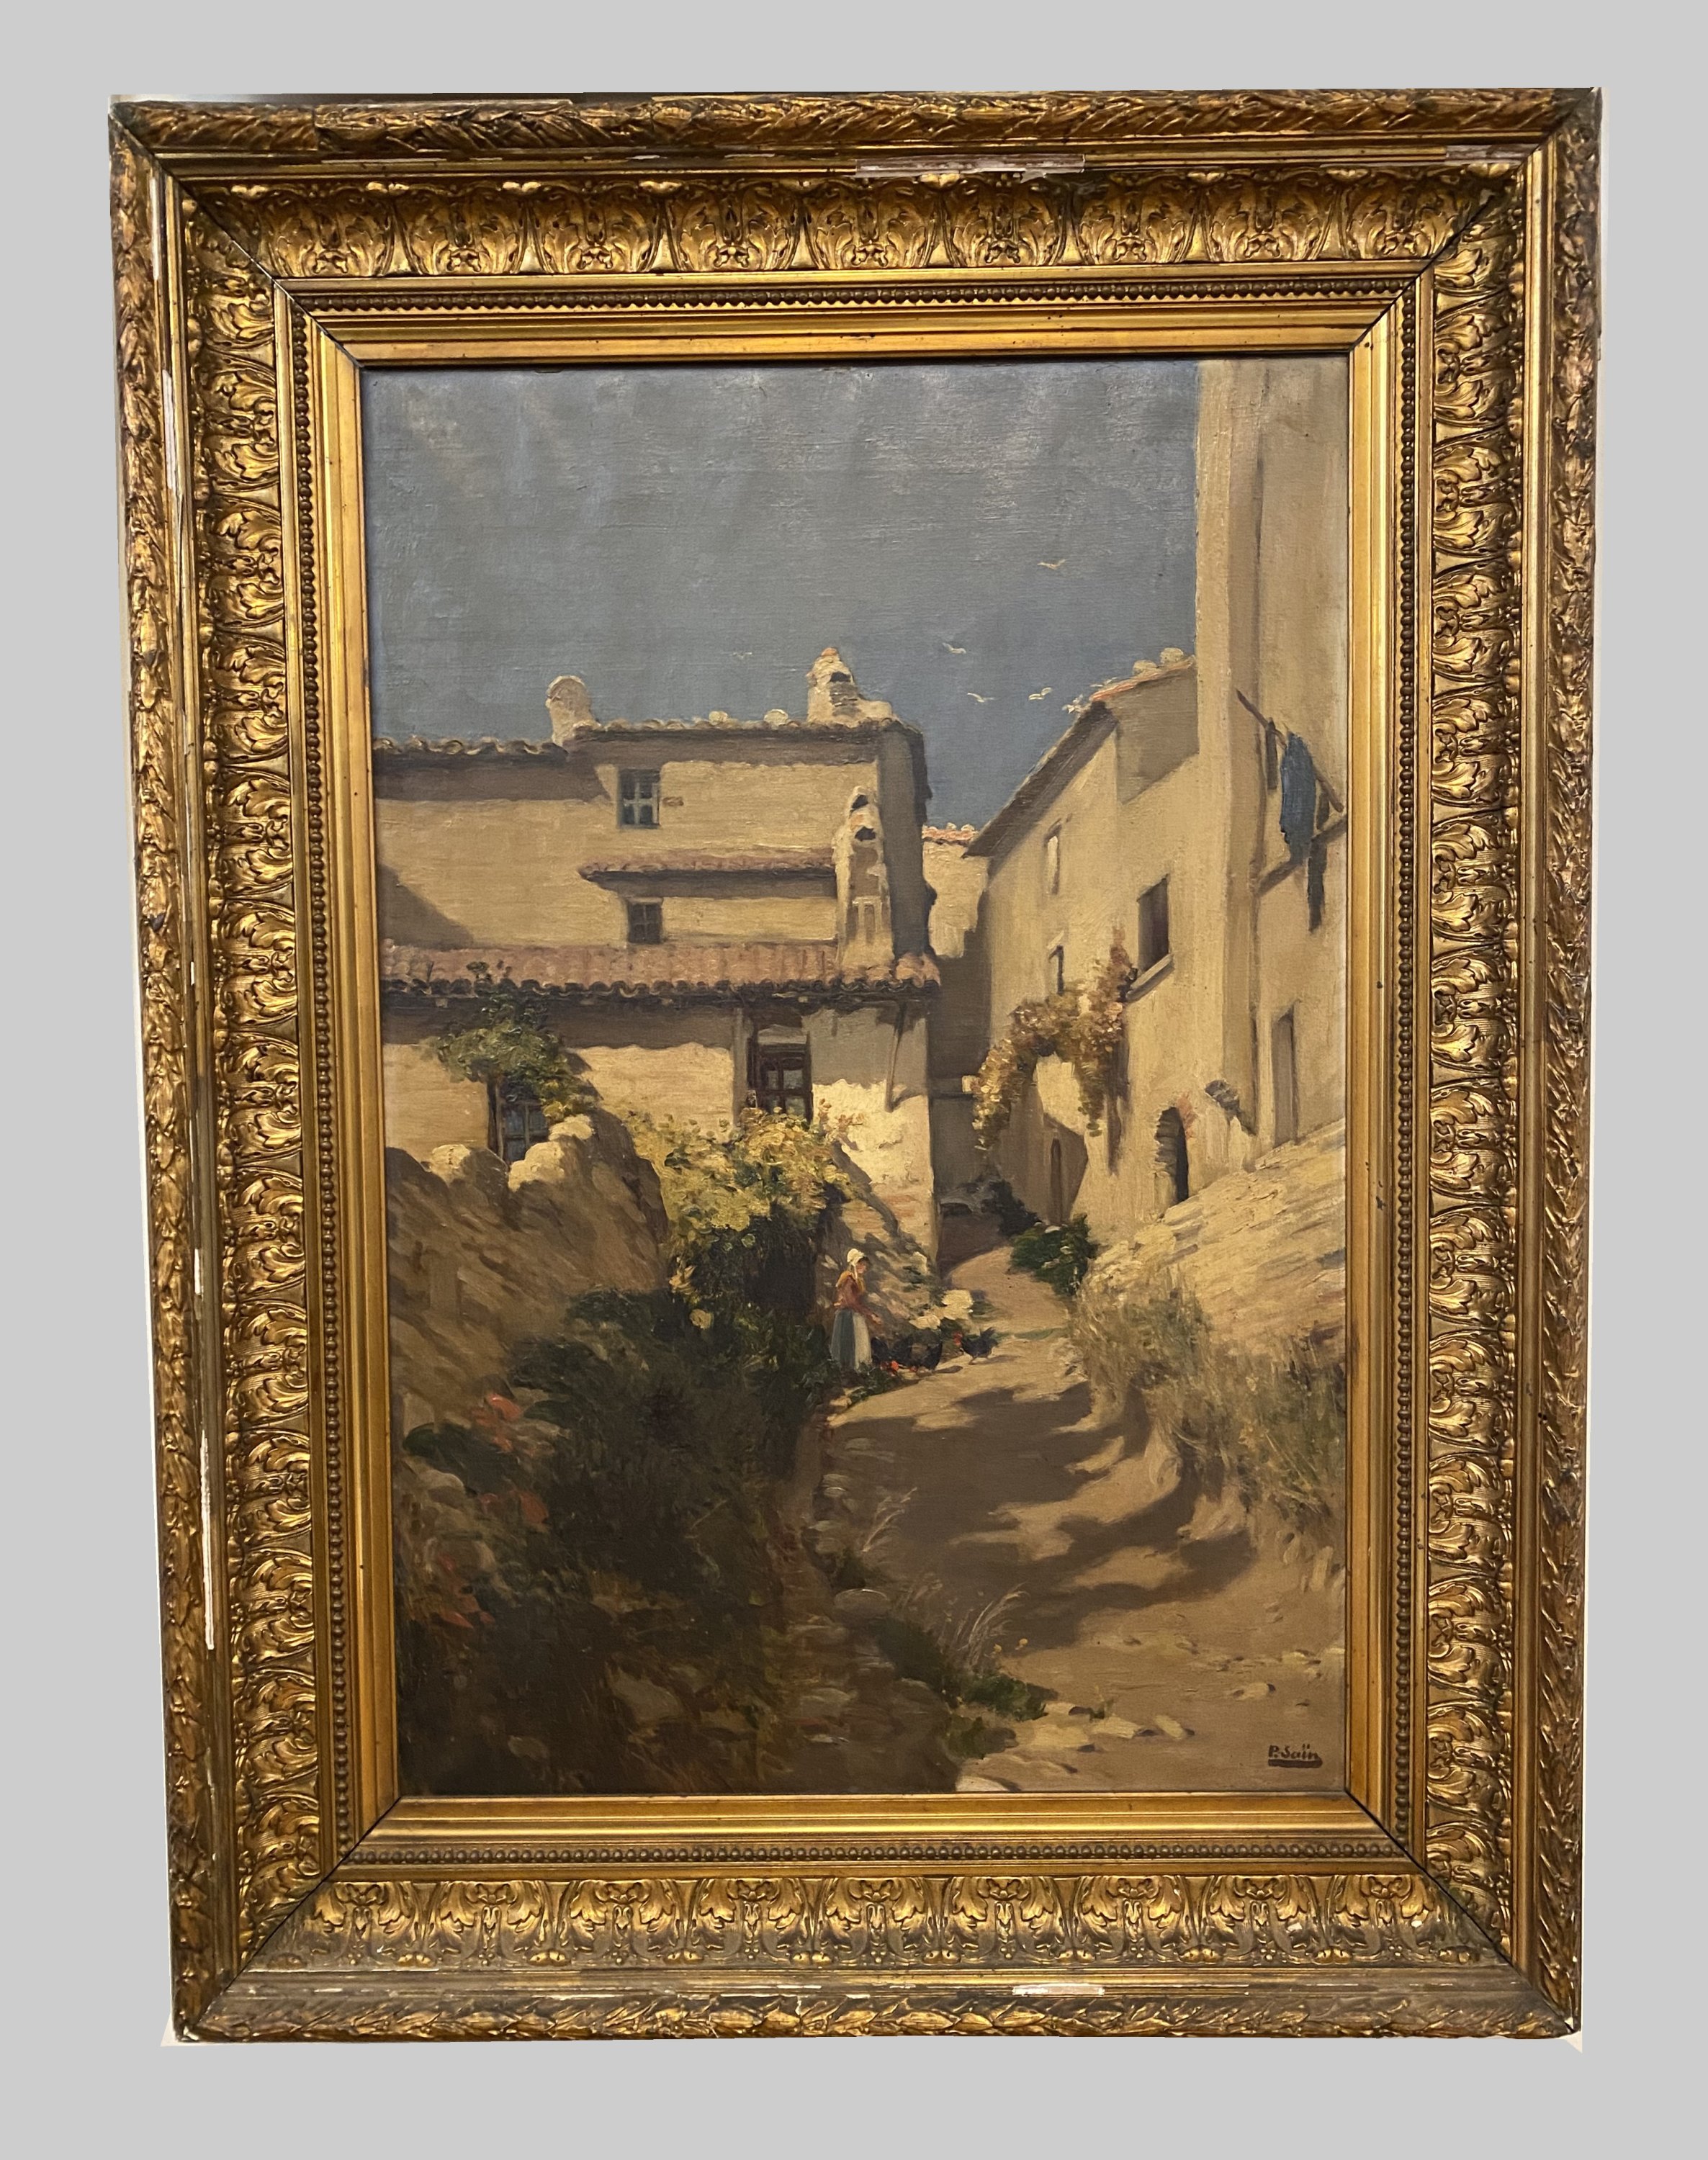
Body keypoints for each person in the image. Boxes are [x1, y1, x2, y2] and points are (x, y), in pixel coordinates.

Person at [827, 1247, 874, 1372]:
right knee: (849, 1343)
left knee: (857, 1342)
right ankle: (849, 1370)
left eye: (864, 1265)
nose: (864, 1267)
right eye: (861, 1264)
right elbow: (851, 1301)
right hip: (847, 1315)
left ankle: (857, 1370)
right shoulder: (848, 1279)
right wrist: (869, 1314)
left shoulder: (857, 1280)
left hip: (854, 1314)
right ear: (854, 1264)